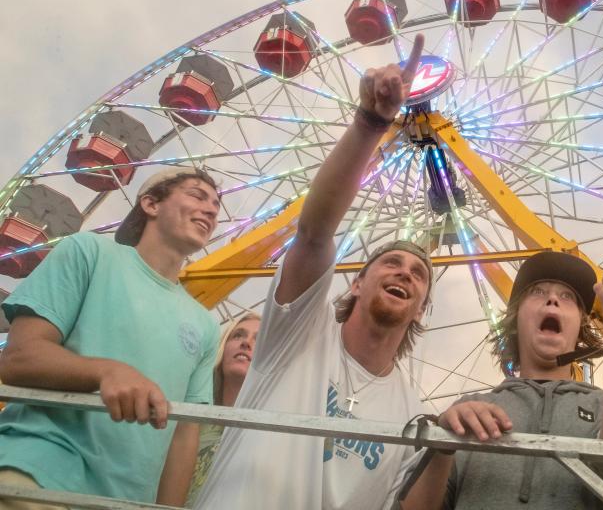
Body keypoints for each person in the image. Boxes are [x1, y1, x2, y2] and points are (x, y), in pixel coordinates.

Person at [193, 35, 430, 510]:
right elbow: (315, 232)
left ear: (423, 306)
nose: (405, 272)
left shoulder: (415, 414)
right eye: (391, 262)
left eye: (420, 273)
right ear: (357, 283)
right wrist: (371, 123)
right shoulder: (296, 335)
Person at [0, 168, 221, 507]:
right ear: (150, 204)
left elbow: (184, 432)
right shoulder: (88, 252)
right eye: (197, 195)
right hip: (40, 472)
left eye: (217, 204)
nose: (211, 209)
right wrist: (107, 371)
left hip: (125, 498)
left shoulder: (205, 326)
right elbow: (18, 359)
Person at [399, 231, 603, 509]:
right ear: (515, 320)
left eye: (568, 296)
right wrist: (442, 444)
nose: (552, 300)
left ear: (581, 327)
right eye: (537, 292)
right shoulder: (470, 410)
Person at [185, 313, 260, 507]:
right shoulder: (190, 419)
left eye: (259, 339)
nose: (246, 343)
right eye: (238, 335)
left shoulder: (273, 434)